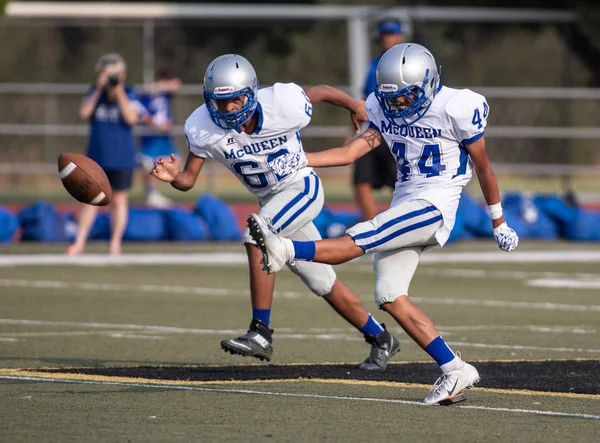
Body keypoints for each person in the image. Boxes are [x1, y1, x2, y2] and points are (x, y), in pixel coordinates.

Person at [247, 43, 520, 405]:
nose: (399, 105)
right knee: (390, 296)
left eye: (407, 97)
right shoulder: (382, 107)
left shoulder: (458, 107)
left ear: (429, 83)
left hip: (435, 203)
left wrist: (498, 220)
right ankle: (455, 369)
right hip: (405, 200)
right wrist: (301, 159)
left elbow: (483, 166)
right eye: (393, 98)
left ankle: (284, 249)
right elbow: (350, 152)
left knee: (368, 233)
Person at [150, 54, 400, 370]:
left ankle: (260, 332)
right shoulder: (202, 127)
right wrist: (174, 178)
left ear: (252, 92)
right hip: (272, 201)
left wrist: (352, 103)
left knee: (257, 236)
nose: (228, 109)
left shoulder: (282, 102)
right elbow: (188, 179)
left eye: (235, 99)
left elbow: (320, 91)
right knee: (321, 280)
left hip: (301, 187)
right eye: (220, 101)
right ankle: (380, 338)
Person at [68, 53, 141, 256]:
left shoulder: (129, 93)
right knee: (89, 200)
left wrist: (118, 93)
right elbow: (84, 113)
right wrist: (100, 88)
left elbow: (131, 118)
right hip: (97, 156)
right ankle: (80, 242)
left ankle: (115, 244)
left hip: (122, 157)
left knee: (119, 200)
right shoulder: (95, 92)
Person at [353, 18, 406, 221]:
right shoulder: (374, 64)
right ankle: (372, 227)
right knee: (361, 178)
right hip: (376, 128)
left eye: (391, 34)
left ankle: (402, 223)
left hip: (400, 130)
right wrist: (354, 132)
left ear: (400, 37)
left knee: (402, 180)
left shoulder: (407, 61)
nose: (387, 39)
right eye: (384, 35)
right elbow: (365, 99)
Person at [138, 69, 182, 209]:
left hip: (164, 136)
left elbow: (177, 85)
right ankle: (151, 194)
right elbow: (141, 112)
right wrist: (155, 124)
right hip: (150, 135)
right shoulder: (147, 95)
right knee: (150, 164)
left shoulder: (165, 94)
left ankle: (153, 193)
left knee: (173, 160)